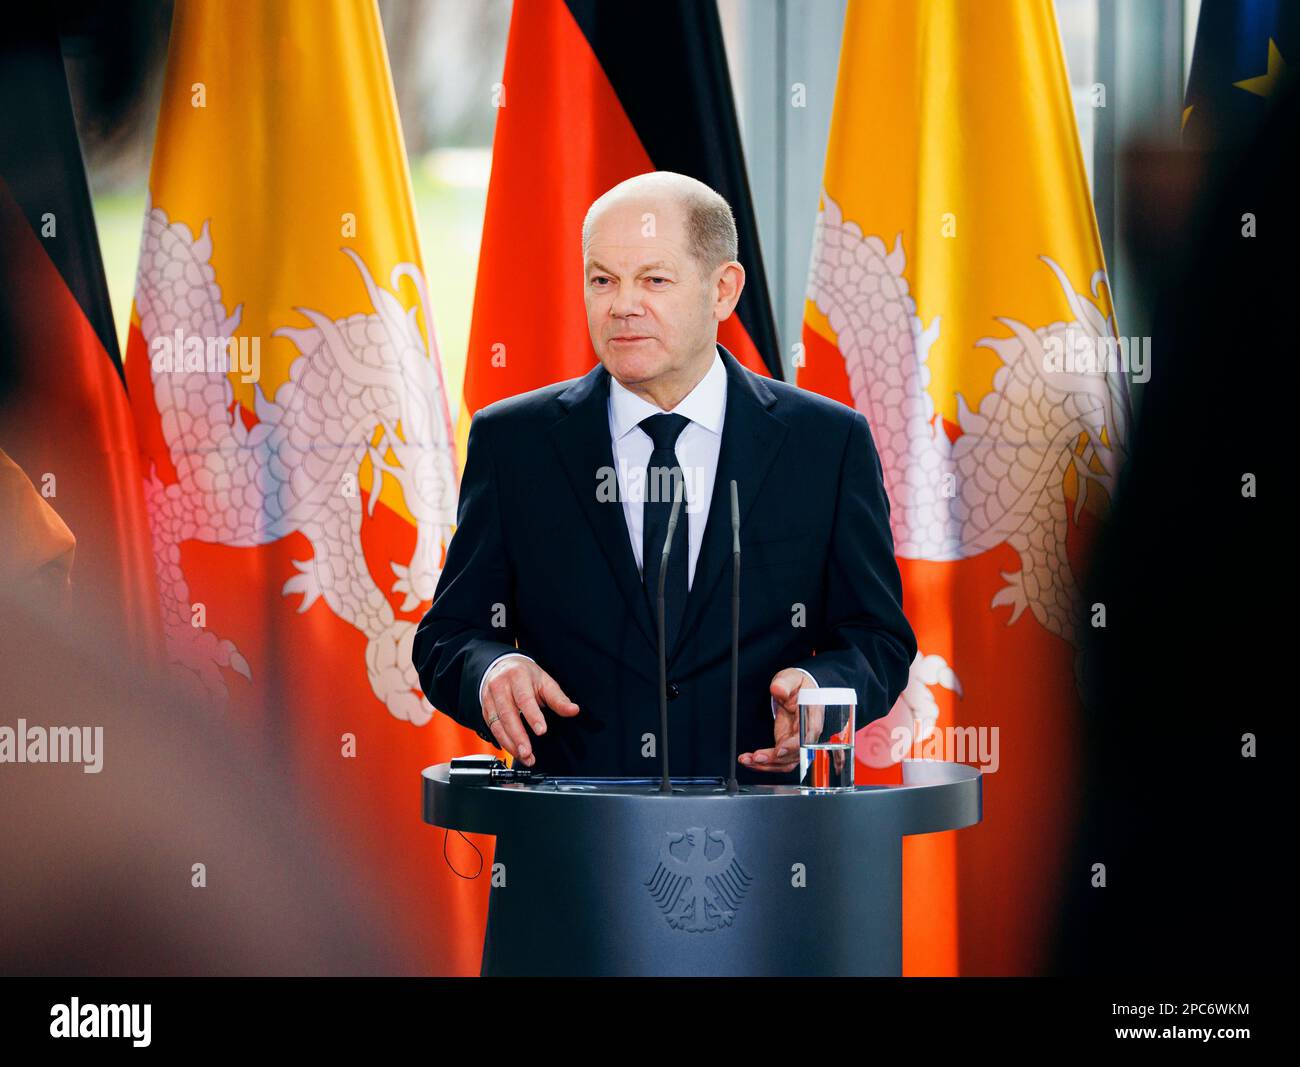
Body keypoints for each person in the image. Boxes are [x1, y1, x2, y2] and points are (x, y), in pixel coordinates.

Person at [413, 171, 915, 783]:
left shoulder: (825, 444)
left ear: (723, 291)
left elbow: (877, 638)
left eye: (653, 279)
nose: (623, 304)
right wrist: (491, 671)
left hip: (766, 839)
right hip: (570, 834)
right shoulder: (514, 442)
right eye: (603, 280)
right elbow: (448, 637)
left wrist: (818, 692)